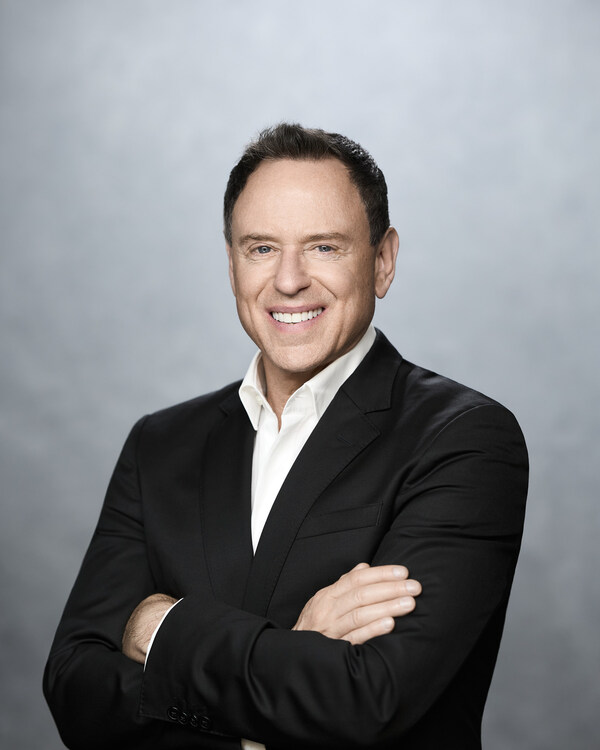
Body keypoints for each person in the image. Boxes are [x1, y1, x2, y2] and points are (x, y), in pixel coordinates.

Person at [44, 123, 528, 750]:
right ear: (231, 265)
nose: (289, 280)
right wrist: (294, 657)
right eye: (262, 248)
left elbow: (370, 700)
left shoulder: (464, 440)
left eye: (324, 247)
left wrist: (159, 628)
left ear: (382, 262)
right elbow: (76, 689)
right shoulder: (159, 446)